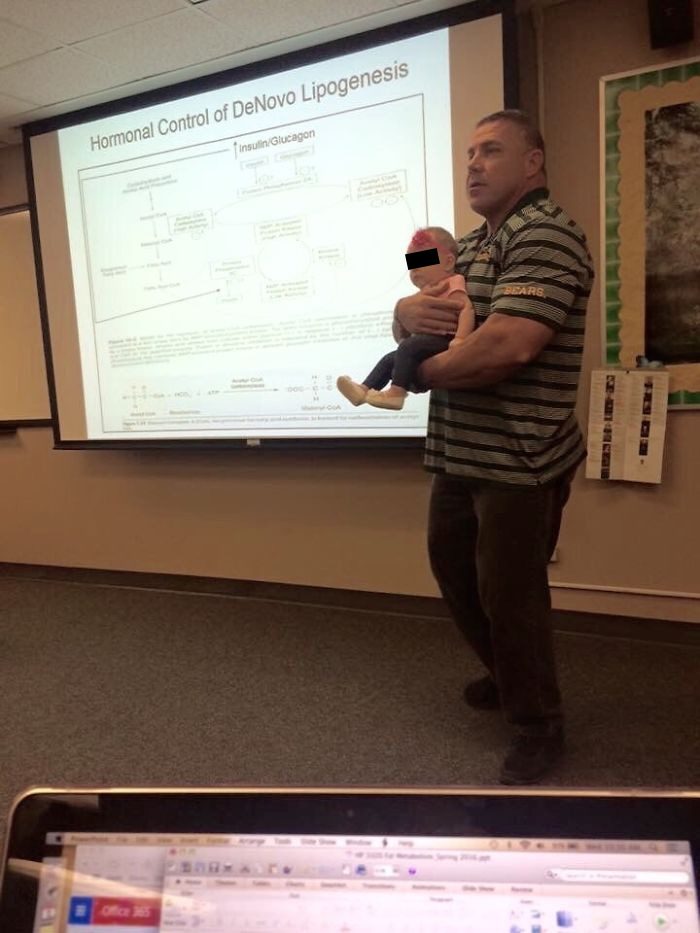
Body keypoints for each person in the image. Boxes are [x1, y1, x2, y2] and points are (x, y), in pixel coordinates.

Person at [394, 110, 594, 785]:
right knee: (455, 571)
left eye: (492, 151)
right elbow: (421, 303)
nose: (474, 164)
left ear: (533, 163)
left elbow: (508, 346)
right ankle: (509, 675)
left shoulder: (548, 235)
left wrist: (417, 372)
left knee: (512, 596)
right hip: (460, 452)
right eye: (469, 153)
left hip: (520, 458)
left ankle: (538, 723)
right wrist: (401, 314)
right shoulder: (475, 243)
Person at [336, 227, 474, 410]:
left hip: (445, 339)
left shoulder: (453, 282)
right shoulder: (425, 292)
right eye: (411, 264)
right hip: (427, 342)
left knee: (408, 347)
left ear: (448, 262)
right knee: (390, 359)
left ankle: (397, 393)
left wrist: (461, 338)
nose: (414, 270)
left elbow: (466, 308)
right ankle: (363, 390)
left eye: (422, 261)